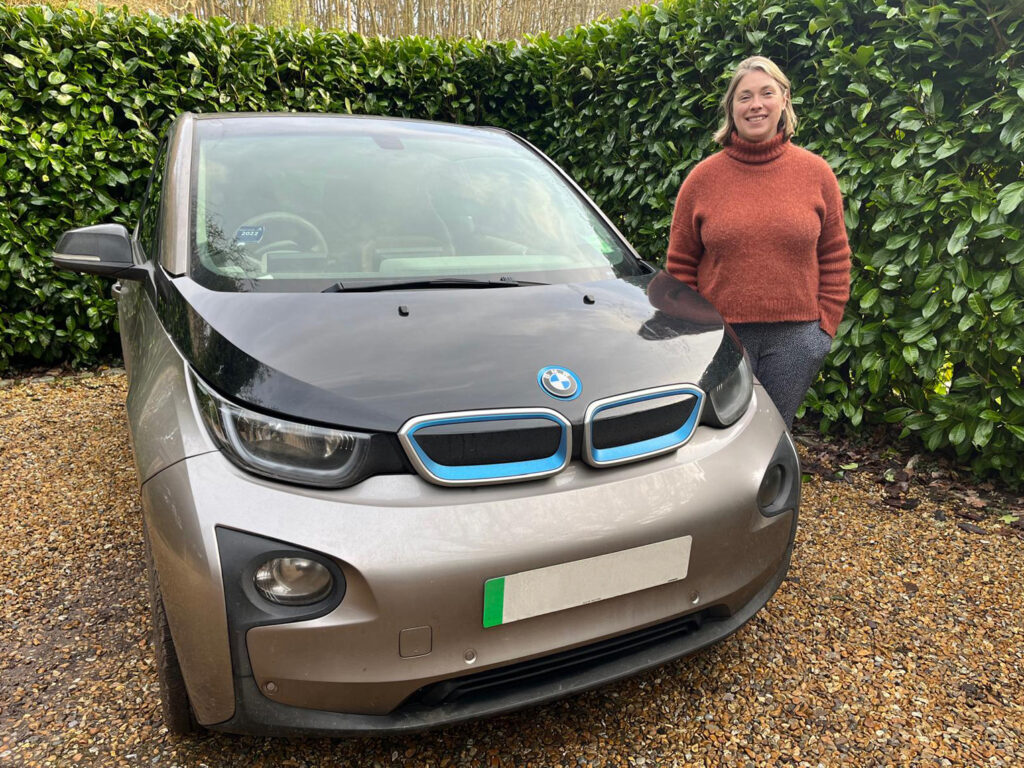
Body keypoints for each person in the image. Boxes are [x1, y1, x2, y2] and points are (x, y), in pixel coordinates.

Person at [666, 55, 851, 429]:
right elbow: (681, 265)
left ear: (784, 100)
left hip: (797, 339)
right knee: (723, 433)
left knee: (773, 431)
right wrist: (699, 333)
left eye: (767, 93)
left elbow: (835, 256)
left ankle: (776, 489)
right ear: (731, 108)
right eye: (744, 96)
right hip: (723, 340)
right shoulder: (702, 180)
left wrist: (823, 330)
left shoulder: (816, 174)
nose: (756, 105)